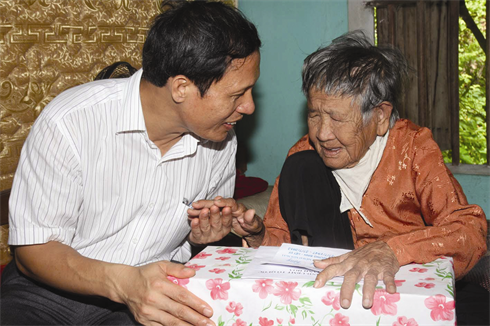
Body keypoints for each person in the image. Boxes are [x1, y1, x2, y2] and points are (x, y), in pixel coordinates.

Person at [0, 0, 261, 325]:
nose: (249, 107)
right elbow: (33, 252)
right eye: (237, 94)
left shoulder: (221, 142)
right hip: (47, 293)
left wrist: (204, 234)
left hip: (154, 290)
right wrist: (125, 285)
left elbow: (193, 241)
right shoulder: (71, 121)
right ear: (181, 87)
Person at [235, 31, 488, 322]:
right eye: (315, 114)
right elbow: (284, 243)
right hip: (333, 295)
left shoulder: (413, 149)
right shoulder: (303, 157)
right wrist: (258, 236)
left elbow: (469, 230)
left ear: (380, 117)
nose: (322, 133)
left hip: (404, 292)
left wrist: (391, 249)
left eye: (338, 118)